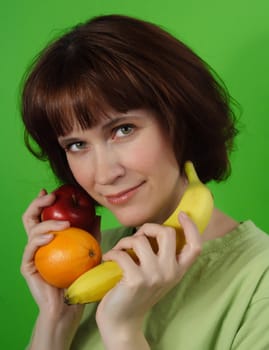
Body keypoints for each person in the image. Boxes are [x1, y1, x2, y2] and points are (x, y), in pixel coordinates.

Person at [20, 14, 269, 350]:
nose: (104, 174)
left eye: (123, 130)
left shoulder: (259, 281)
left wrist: (123, 332)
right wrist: (55, 320)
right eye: (76, 145)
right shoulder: (91, 262)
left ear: (180, 121)